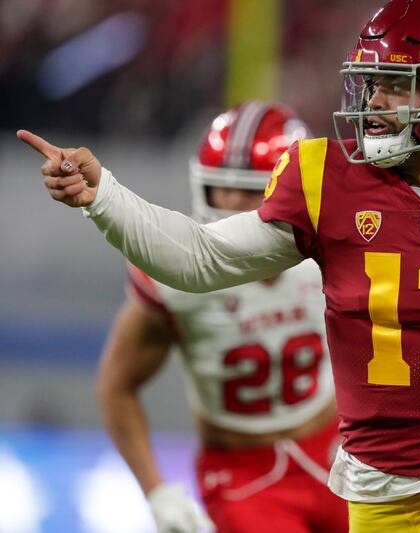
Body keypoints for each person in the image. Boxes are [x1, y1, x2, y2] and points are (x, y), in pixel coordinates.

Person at [19, 1, 420, 531]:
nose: (373, 104)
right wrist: (101, 196)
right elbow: (200, 259)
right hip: (383, 498)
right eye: (372, 85)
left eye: (395, 87)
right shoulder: (327, 179)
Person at [94, 102, 348, 533]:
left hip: (336, 445)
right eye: (219, 190)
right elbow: (117, 386)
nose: (230, 205)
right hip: (243, 473)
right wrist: (156, 490)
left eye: (250, 191)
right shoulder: (175, 278)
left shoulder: (334, 243)